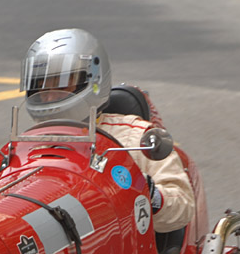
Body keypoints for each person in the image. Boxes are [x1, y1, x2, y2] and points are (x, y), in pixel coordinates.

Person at [20, 28, 195, 234]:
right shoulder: (27, 145)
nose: (49, 98)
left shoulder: (135, 137)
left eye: (61, 85)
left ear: (94, 81)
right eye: (42, 88)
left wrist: (147, 192)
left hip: (126, 247)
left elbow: (183, 206)